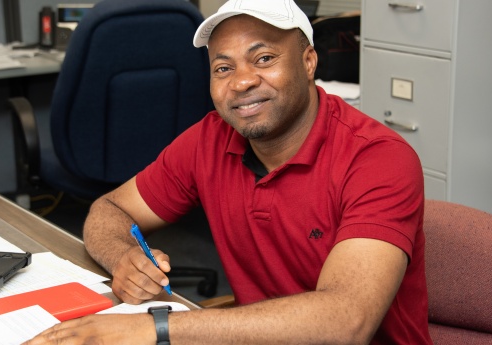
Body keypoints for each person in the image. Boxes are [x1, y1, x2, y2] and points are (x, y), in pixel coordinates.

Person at [24, 0, 432, 344]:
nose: (241, 82)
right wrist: (125, 259)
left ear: (309, 62)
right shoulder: (210, 139)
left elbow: (348, 319)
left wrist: (157, 327)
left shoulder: (378, 158)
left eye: (264, 59)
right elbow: (109, 208)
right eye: (223, 68)